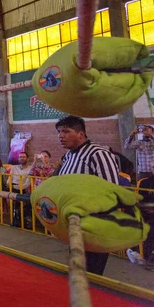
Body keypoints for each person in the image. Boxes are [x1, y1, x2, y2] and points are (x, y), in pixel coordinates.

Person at [55, 115, 120, 275]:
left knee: (91, 274)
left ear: (81, 134)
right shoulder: (69, 156)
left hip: (94, 226)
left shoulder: (98, 154)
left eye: (65, 131)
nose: (60, 136)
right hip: (75, 224)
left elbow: (111, 192)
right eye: (59, 132)